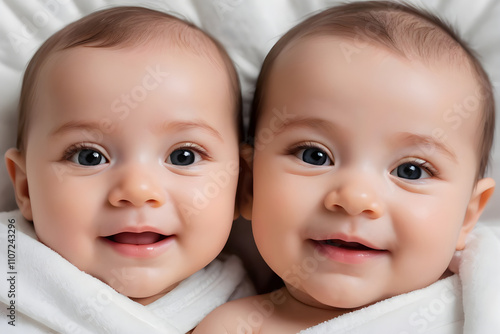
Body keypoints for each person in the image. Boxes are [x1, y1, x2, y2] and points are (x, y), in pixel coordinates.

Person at [194, 1, 497, 333]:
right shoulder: (235, 327)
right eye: (314, 155)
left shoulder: (479, 303)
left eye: (412, 170)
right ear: (249, 186)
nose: (355, 198)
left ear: (468, 215)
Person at [0, 6, 251, 333]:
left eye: (184, 157)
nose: (137, 190)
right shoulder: (12, 270)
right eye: (88, 157)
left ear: (241, 185)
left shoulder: (248, 311)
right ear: (25, 188)